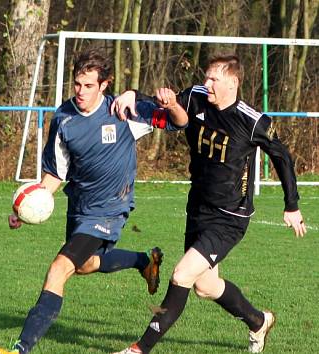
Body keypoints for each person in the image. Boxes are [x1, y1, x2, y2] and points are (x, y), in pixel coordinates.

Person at [0, 49, 188, 354]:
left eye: (88, 86)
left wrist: (165, 102)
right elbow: (55, 174)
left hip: (112, 207)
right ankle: (143, 261)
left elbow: (179, 122)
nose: (81, 92)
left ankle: (21, 348)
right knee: (83, 266)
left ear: (104, 84)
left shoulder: (124, 111)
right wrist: (26, 206)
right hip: (80, 206)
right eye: (77, 84)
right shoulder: (64, 119)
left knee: (59, 268)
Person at [111, 54, 307, 354]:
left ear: (233, 82)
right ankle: (259, 321)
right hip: (198, 208)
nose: (207, 84)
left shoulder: (253, 121)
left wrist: (291, 205)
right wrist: (132, 95)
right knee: (205, 287)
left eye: (214, 79)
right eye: (206, 77)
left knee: (181, 275)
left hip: (230, 217)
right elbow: (161, 103)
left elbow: (282, 157)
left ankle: (140, 349)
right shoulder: (195, 97)